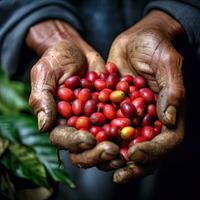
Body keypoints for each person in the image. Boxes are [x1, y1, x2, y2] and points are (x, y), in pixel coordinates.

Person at [0, 0, 200, 199]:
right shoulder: (100, 101)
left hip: (181, 73)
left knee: (172, 178)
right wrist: (51, 34)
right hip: (75, 65)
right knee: (85, 181)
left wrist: (168, 20)